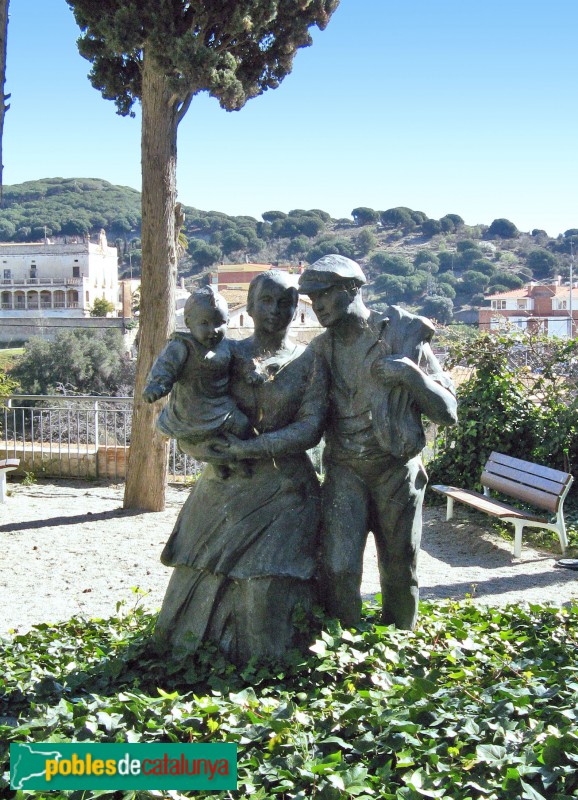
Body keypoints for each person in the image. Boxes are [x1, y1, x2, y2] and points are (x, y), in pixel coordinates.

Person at [155, 270, 328, 664]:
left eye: (285, 301)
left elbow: (310, 428)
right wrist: (199, 445)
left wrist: (249, 449)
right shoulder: (220, 355)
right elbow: (183, 407)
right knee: (191, 583)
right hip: (222, 485)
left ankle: (267, 664)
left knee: (264, 590)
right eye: (266, 300)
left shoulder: (310, 361)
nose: (275, 310)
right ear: (247, 308)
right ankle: (189, 662)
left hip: (285, 490)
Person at [298, 254, 457, 630]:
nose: (317, 305)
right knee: (337, 567)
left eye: (325, 294)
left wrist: (411, 375)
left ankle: (398, 646)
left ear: (353, 289)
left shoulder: (400, 336)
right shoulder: (320, 350)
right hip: (344, 472)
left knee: (400, 568)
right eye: (312, 297)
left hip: (395, 472)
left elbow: (448, 412)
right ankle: (342, 652)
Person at [143, 286, 262, 477]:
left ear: (228, 322)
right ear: (189, 322)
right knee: (199, 439)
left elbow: (244, 362)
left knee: (243, 425)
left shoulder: (228, 347)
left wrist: (251, 372)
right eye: (204, 323)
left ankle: (231, 458)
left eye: (219, 323)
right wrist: (157, 385)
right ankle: (223, 461)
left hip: (221, 406)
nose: (212, 330)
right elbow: (165, 367)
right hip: (190, 408)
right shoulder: (182, 346)